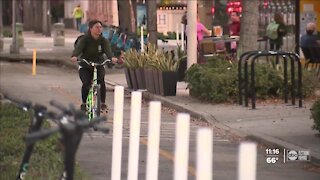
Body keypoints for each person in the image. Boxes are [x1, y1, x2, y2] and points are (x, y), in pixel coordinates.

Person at [70, 20, 113, 111]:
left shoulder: (103, 40)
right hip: (85, 64)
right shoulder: (85, 39)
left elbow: (108, 51)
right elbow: (78, 49)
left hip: (98, 64)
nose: (99, 29)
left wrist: (112, 58)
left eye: (101, 27)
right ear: (91, 29)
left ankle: (102, 103)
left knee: (101, 81)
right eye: (97, 27)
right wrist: (74, 56)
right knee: (86, 83)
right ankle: (84, 103)